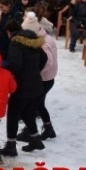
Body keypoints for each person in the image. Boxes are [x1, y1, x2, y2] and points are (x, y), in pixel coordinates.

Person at [0, 20, 48, 157]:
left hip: (22, 88)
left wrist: (0, 68)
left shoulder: (15, 43)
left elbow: (15, 65)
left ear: (9, 32)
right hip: (37, 86)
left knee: (13, 115)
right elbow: (44, 58)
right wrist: (35, 71)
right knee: (27, 112)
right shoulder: (33, 40)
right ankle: (35, 139)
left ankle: (11, 145)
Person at [20, 12, 58, 141]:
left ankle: (29, 132)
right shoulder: (41, 36)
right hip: (46, 78)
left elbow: (49, 62)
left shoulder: (44, 43)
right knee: (39, 105)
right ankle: (49, 129)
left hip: (44, 79)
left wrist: (34, 72)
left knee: (31, 106)